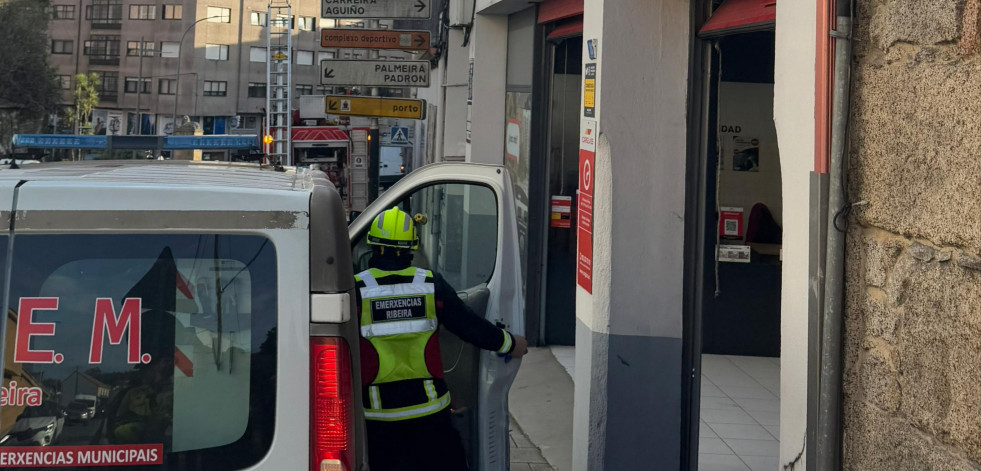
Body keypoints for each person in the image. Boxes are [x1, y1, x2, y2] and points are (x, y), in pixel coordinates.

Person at [355, 207, 528, 471]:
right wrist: (510, 343)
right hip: (429, 410)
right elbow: (467, 325)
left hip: (378, 416)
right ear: (412, 247)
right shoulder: (429, 284)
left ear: (373, 247)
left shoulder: (357, 290)